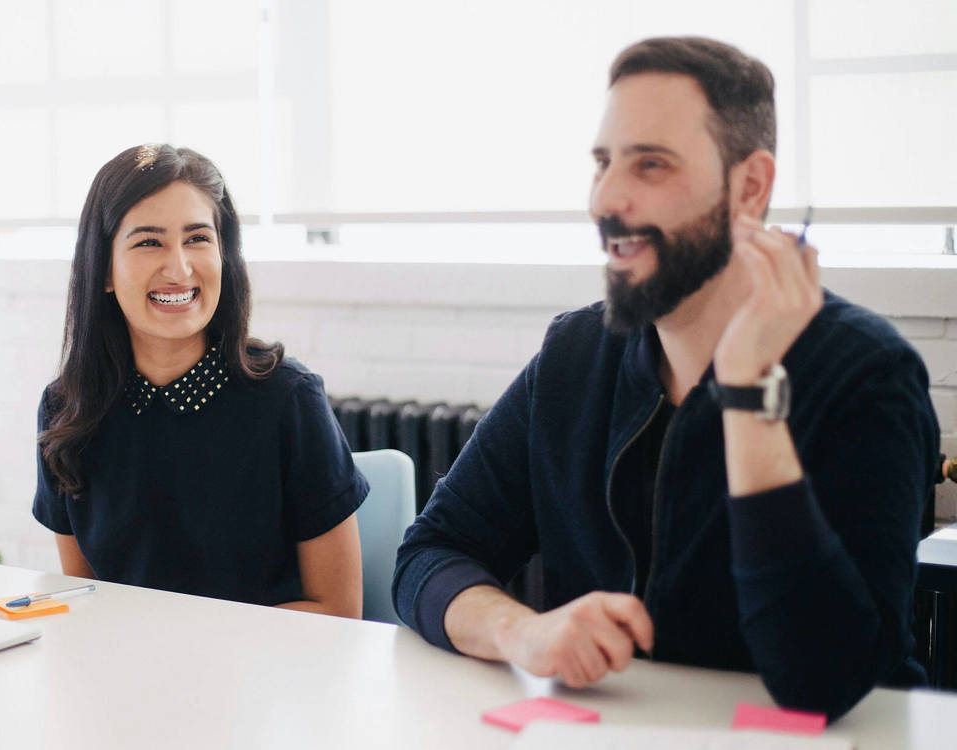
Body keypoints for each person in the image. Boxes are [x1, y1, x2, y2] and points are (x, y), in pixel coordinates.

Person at [393, 37, 939, 720]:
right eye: (602, 162)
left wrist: (748, 394)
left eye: (651, 164)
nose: (607, 198)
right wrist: (522, 630)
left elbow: (823, 681)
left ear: (749, 187)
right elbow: (429, 555)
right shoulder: (576, 354)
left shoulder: (868, 375)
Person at [34, 144, 368, 618]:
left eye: (197, 239)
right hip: (126, 674)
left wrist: (187, 651)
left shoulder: (287, 399)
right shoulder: (67, 408)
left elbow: (338, 611)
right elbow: (87, 600)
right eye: (149, 242)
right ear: (104, 269)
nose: (179, 268)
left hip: (270, 676)